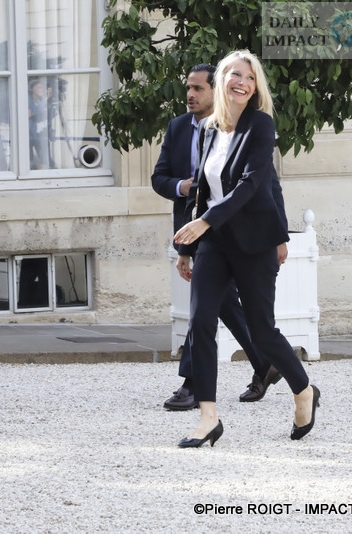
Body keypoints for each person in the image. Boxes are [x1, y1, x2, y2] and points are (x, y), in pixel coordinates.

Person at [173, 50, 320, 447]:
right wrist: (187, 244)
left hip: (254, 242)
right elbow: (202, 190)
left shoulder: (261, 125)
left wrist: (208, 221)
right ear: (222, 79)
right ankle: (208, 417)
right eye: (235, 74)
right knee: (200, 321)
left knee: (263, 332)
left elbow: (254, 184)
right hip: (215, 243)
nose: (242, 82)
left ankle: (304, 390)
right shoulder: (207, 129)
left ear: (255, 88)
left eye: (250, 79)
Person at [151, 64, 284, 410]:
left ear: (216, 90)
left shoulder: (246, 126)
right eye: (188, 88)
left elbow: (267, 184)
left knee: (214, 305)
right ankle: (255, 365)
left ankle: (197, 383)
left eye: (198, 88)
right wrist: (184, 188)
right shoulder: (179, 127)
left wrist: (279, 236)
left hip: (243, 231)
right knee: (209, 306)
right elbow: (159, 177)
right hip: (199, 232)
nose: (191, 95)